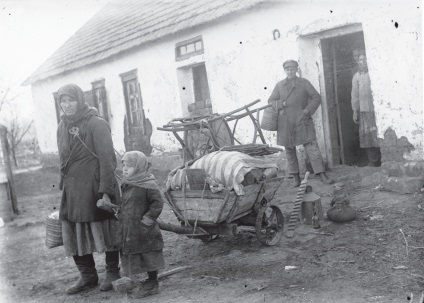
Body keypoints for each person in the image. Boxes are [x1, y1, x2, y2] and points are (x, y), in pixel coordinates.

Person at [56, 83, 121, 294]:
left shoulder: (97, 124)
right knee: (73, 230)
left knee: (106, 228)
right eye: (63, 101)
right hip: (74, 189)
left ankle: (112, 272)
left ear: (80, 100)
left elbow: (108, 160)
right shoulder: (61, 127)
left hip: (96, 186)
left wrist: (106, 191)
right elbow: (63, 158)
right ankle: (88, 275)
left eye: (71, 100)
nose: (67, 105)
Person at [268, 59, 334, 187]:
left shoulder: (304, 83)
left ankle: (321, 174)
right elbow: (271, 101)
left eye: (292, 69)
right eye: (287, 69)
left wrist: (307, 110)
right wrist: (281, 103)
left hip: (302, 120)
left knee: (312, 147)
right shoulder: (280, 85)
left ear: (296, 70)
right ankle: (295, 177)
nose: (290, 71)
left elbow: (316, 97)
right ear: (285, 71)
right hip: (286, 123)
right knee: (289, 150)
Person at [116, 151, 165, 298]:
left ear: (139, 167)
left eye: (129, 166)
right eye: (123, 165)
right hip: (130, 228)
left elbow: (157, 203)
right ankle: (138, 280)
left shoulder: (148, 184)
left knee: (149, 254)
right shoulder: (127, 183)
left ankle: (152, 282)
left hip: (144, 228)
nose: (124, 169)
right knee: (134, 252)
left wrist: (148, 219)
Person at [351, 52, 382, 167]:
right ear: (357, 62)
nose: (363, 62)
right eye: (360, 60)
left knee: (377, 135)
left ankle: (381, 160)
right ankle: (373, 162)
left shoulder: (373, 74)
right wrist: (355, 110)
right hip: (364, 111)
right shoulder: (356, 77)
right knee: (367, 137)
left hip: (375, 112)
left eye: (365, 59)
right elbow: (355, 95)